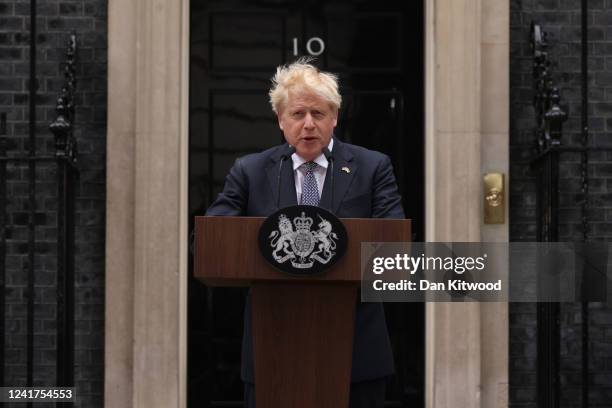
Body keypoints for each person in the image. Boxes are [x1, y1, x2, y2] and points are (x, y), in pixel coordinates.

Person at [205, 58, 405, 408]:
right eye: (298, 114)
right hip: (274, 349)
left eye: (318, 113)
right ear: (281, 120)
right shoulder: (250, 171)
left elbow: (394, 245)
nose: (309, 125)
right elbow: (210, 241)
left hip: (356, 352)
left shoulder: (373, 167)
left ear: (335, 117)